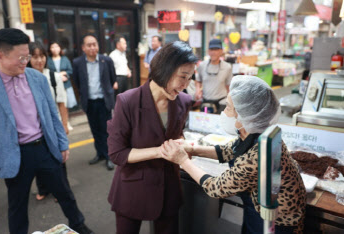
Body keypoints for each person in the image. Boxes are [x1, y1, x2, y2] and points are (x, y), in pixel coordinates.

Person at [160, 75, 307, 234]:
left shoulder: (260, 153)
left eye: (228, 108)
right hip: (259, 212)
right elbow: (230, 150)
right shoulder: (257, 133)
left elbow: (216, 187)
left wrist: (182, 160)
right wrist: (192, 149)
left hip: (276, 223)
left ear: (246, 116)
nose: (224, 112)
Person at [0, 28, 94, 234]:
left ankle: (79, 226)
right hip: (15, 155)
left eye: (27, 56)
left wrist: (62, 143)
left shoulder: (37, 78)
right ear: (0, 56)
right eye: (20, 58)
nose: (26, 62)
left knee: (65, 193)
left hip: (44, 148)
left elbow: (52, 114)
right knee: (17, 206)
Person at [107, 41, 197, 234]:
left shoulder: (184, 101)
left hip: (168, 187)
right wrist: (159, 151)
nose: (185, 85)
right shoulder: (128, 101)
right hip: (132, 188)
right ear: (165, 69)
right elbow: (117, 154)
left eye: (190, 78)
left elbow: (177, 133)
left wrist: (181, 142)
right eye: (183, 77)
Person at [27, 41, 70, 201]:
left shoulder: (52, 76)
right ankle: (43, 188)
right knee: (39, 159)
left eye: (42, 56)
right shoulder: (24, 77)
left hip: (53, 126)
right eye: (35, 57)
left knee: (59, 159)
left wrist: (64, 125)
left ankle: (62, 191)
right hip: (35, 128)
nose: (39, 60)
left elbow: (61, 102)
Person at [73, 35, 116, 170]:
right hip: (90, 102)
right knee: (95, 130)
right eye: (89, 45)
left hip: (104, 101)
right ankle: (100, 153)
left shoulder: (106, 60)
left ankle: (109, 156)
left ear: (98, 46)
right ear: (83, 48)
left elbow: (112, 77)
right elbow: (77, 82)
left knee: (106, 131)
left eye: (94, 44)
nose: (92, 47)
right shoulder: (77, 63)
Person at [195, 39, 233, 113]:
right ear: (208, 51)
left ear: (221, 51)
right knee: (206, 122)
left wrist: (231, 104)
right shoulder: (202, 66)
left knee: (220, 123)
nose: (213, 52)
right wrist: (198, 90)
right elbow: (198, 80)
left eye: (216, 49)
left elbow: (229, 86)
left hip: (222, 103)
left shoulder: (227, 67)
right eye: (211, 49)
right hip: (206, 103)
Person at [47, 41, 77, 110]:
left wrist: (66, 75)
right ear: (50, 49)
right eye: (52, 47)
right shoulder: (48, 60)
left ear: (60, 48)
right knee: (57, 105)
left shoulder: (65, 59)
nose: (55, 49)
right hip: (54, 85)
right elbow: (47, 72)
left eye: (56, 47)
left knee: (67, 104)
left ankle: (66, 119)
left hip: (65, 85)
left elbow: (70, 71)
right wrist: (58, 75)